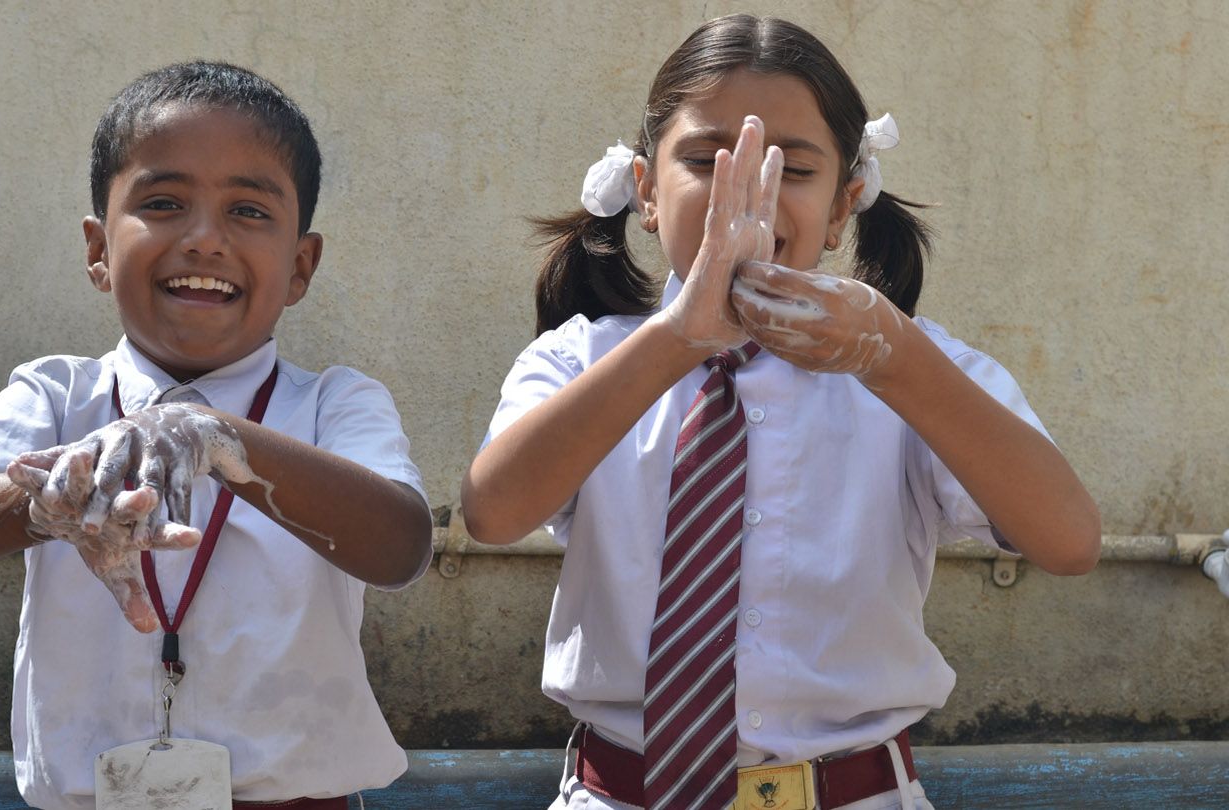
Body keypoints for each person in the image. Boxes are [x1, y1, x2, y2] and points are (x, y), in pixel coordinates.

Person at [460, 15, 1100, 810]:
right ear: (648, 192)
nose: (748, 193)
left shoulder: (913, 368)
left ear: (843, 210)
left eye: (792, 168)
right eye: (706, 160)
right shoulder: (580, 360)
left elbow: (1070, 541)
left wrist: (894, 356)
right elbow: (492, 509)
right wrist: (675, 341)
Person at [0, 61, 433, 810]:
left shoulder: (336, 406)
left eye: (250, 212)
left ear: (301, 266)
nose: (205, 240)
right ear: (98, 250)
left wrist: (210, 436)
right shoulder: (57, 398)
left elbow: (398, 549)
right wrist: (45, 506)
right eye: (164, 203)